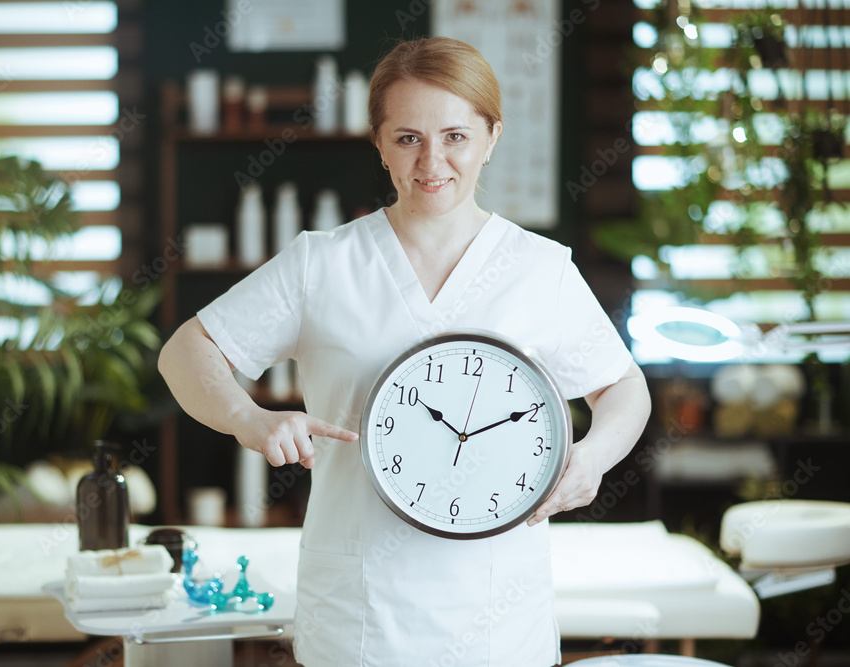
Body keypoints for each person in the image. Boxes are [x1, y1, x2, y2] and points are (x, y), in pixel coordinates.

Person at [159, 37, 651, 667]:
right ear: (380, 143)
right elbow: (186, 351)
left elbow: (623, 388)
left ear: (491, 138)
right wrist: (249, 420)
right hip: (360, 621)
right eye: (408, 138)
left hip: (501, 624)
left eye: (455, 136)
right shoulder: (322, 263)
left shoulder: (540, 270)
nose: (432, 161)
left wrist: (591, 458)